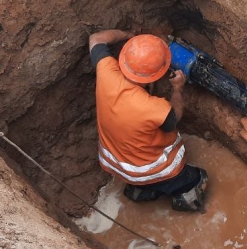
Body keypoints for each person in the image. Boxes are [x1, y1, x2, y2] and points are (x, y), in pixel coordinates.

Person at [88, 29, 207, 211]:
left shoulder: (106, 71)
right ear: (156, 76)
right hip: (155, 171)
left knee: (141, 178)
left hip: (115, 164)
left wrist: (128, 36)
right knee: (198, 177)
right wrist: (177, 89)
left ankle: (140, 192)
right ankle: (186, 197)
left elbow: (96, 38)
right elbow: (173, 121)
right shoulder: (154, 108)